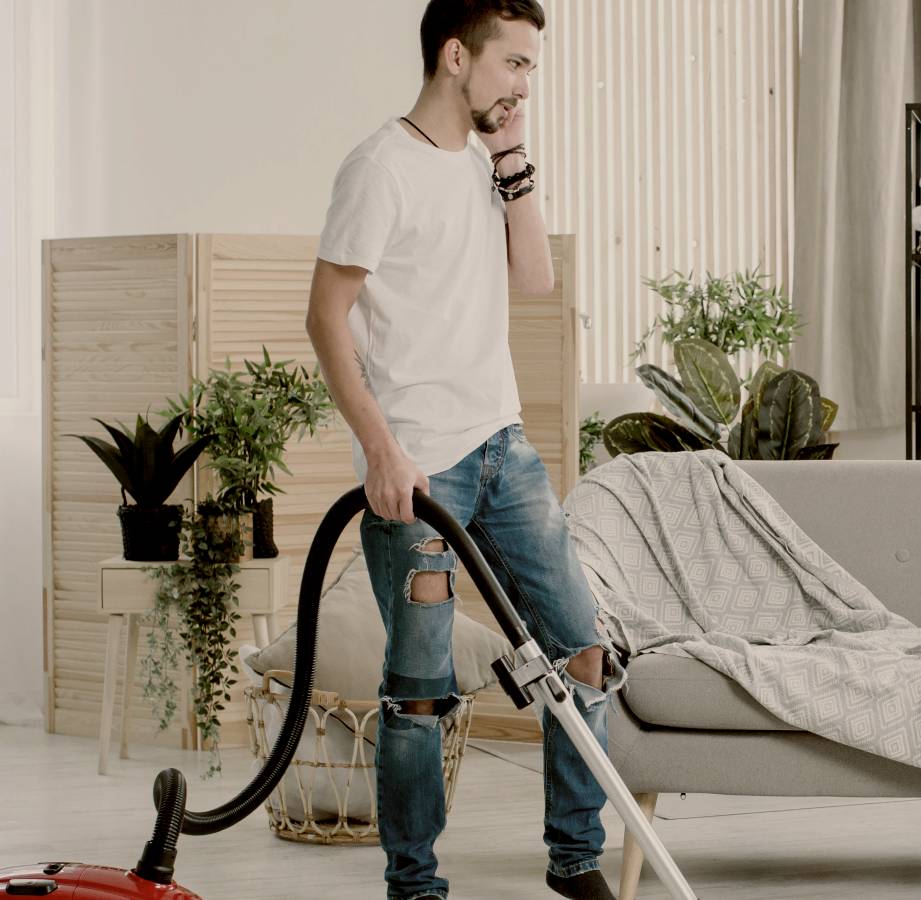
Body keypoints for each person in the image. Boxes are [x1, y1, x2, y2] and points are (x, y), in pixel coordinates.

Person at [305, 2, 623, 898]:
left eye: (530, 68)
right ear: (456, 55)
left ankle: (575, 857)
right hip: (418, 472)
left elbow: (536, 280)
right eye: (514, 63)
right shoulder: (380, 168)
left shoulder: (486, 164)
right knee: (420, 690)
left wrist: (513, 159)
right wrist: (380, 451)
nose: (525, 84)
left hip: (502, 451)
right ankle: (414, 885)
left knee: (583, 653)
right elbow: (325, 319)